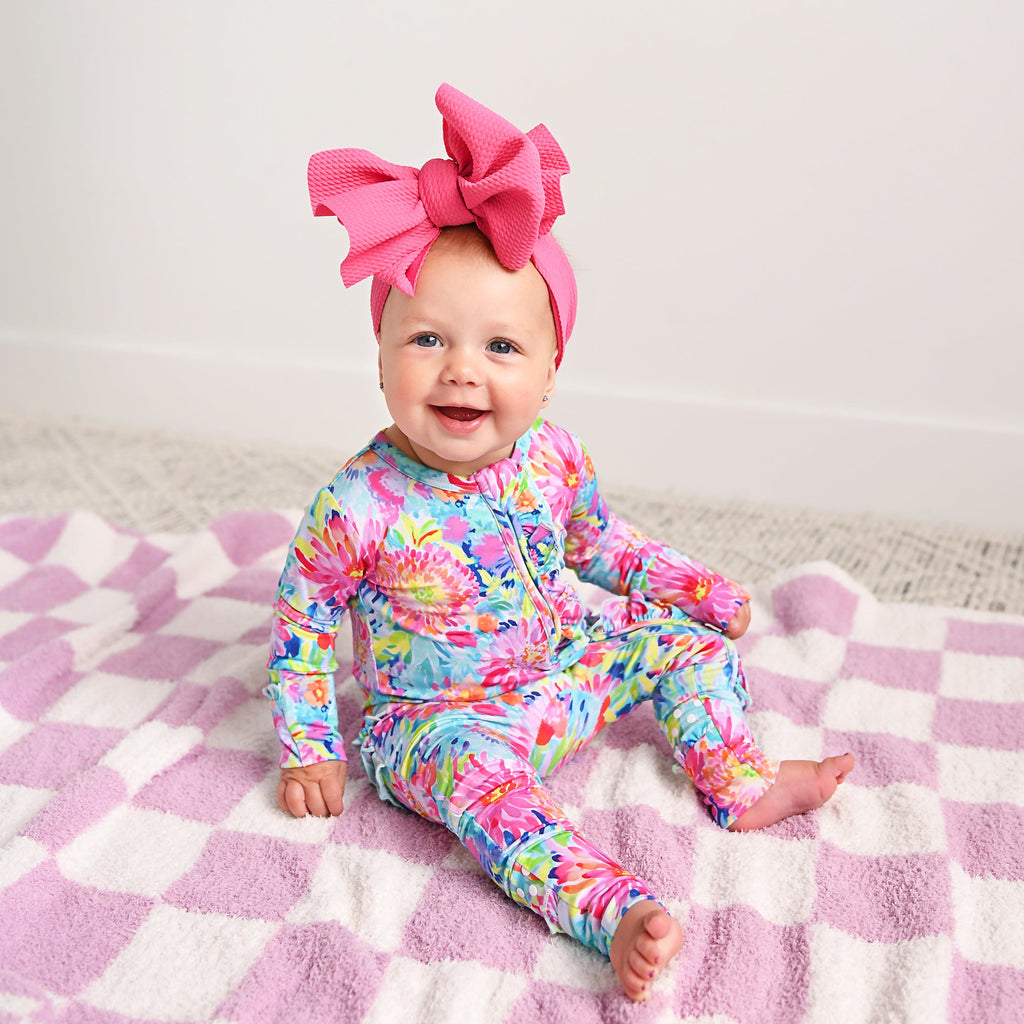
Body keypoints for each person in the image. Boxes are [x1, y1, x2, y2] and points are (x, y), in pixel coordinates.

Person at [264, 84, 854, 1003]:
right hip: (437, 722)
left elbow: (601, 546)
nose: (462, 369)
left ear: (549, 372)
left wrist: (699, 591)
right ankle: (612, 913)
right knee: (493, 799)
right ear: (380, 358)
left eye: (501, 348)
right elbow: (302, 626)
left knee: (687, 646)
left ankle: (739, 782)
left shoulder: (553, 457)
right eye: (427, 339)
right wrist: (310, 745)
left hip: (562, 667)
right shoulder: (358, 503)